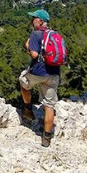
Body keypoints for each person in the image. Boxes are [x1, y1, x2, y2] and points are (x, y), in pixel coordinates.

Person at [19, 8, 61, 147]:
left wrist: (28, 46)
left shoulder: (36, 34)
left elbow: (34, 55)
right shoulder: (55, 34)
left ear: (40, 21)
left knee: (23, 82)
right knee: (49, 105)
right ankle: (46, 137)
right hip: (54, 73)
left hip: (38, 72)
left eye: (34, 18)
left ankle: (28, 110)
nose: (32, 21)